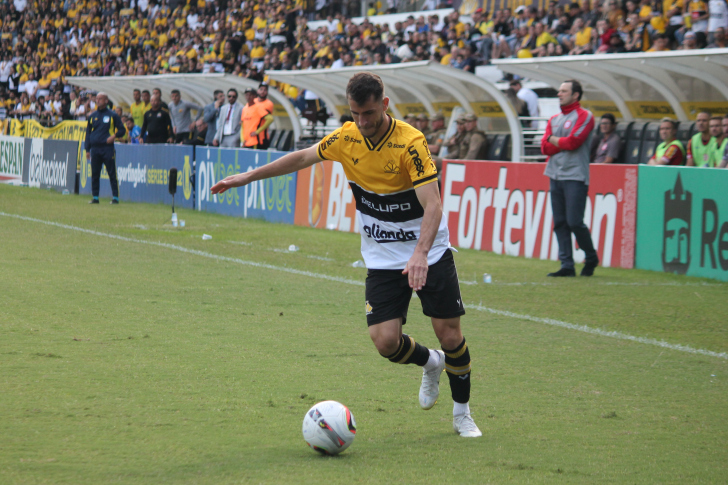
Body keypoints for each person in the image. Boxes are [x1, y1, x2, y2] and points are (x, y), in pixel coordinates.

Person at [210, 72, 481, 438]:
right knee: (385, 341)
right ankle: (430, 362)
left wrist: (419, 253)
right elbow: (302, 157)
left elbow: (432, 203)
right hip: (383, 257)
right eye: (356, 113)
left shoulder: (410, 143)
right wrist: (247, 176)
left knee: (450, 335)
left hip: (427, 253)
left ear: (384, 104)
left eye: (369, 113)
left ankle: (462, 413)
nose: (363, 121)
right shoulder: (347, 137)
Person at [541, 80, 599, 277]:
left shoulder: (585, 116)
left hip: (575, 175)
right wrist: (559, 142)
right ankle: (567, 265)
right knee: (560, 222)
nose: (559, 94)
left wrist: (553, 140)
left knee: (575, 222)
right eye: (559, 91)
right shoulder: (554, 119)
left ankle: (591, 257)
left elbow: (574, 142)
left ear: (576, 95)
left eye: (564, 91)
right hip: (555, 174)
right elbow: (544, 148)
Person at [85, 92, 126, 204]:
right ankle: (95, 197)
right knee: (95, 174)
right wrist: (87, 149)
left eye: (100, 99)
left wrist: (114, 136)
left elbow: (122, 130)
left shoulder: (113, 115)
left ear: (106, 101)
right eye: (97, 99)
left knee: (111, 173)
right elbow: (88, 133)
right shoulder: (92, 116)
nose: (98, 101)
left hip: (107, 148)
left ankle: (115, 197)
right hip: (95, 149)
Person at [255, 82, 275, 149]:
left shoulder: (269, 104)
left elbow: (269, 119)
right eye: (261, 89)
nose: (263, 92)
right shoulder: (254, 101)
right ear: (258, 90)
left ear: (267, 92)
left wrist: (258, 131)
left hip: (262, 136)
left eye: (265, 90)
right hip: (251, 137)